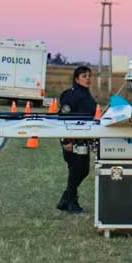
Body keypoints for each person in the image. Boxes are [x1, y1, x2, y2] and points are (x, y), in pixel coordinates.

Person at [57, 66, 97, 214]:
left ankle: (66, 199)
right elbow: (63, 118)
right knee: (75, 170)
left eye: (89, 75)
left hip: (84, 139)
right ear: (76, 79)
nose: (88, 78)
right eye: (84, 76)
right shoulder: (70, 95)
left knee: (83, 170)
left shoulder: (87, 95)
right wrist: (66, 141)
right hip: (72, 140)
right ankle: (72, 203)